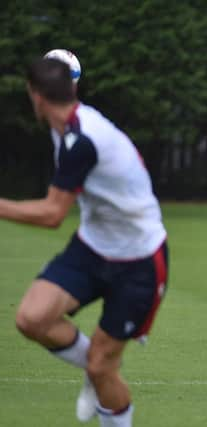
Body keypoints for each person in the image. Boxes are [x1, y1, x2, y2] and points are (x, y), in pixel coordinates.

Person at [2, 57, 169, 426]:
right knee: (31, 318)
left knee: (101, 368)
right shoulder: (62, 122)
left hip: (139, 260)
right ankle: (97, 369)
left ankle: (100, 374)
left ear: (36, 97)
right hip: (92, 246)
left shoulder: (83, 139)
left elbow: (52, 214)